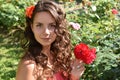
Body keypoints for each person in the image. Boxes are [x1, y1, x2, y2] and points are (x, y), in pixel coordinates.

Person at [16, 0, 85, 80]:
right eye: (39, 25)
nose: (46, 32)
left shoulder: (58, 55)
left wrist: (74, 77)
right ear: (32, 27)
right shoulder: (29, 66)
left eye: (52, 25)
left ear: (59, 27)